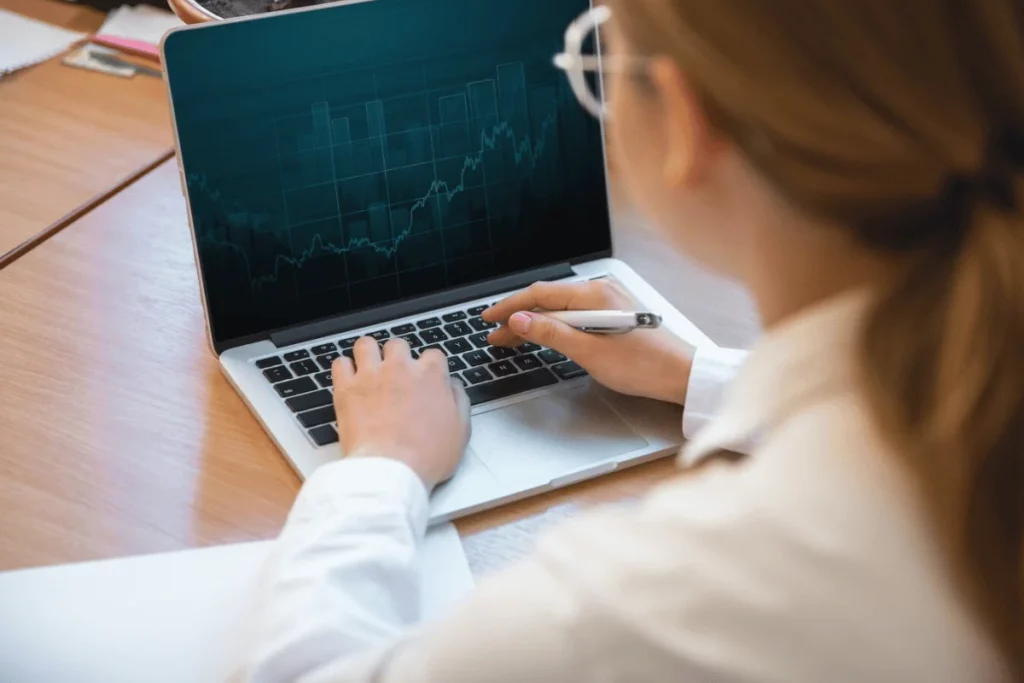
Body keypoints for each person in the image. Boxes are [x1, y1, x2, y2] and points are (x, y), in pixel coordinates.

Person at [230, 1, 1024, 680]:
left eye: (598, 48)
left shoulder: (671, 597)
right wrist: (703, 377)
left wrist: (379, 468)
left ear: (683, 117)